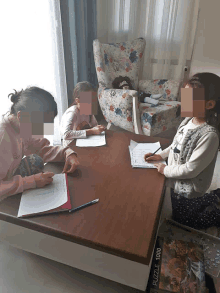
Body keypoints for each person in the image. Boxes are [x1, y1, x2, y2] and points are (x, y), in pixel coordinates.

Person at [144, 72, 220, 230]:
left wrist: (165, 169)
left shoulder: (209, 135)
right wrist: (161, 155)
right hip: (176, 182)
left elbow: (191, 170)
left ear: (209, 105)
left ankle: (215, 211)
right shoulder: (188, 120)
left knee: (183, 220)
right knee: (174, 203)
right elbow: (175, 145)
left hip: (190, 190)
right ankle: (214, 197)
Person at [0, 86, 80, 201]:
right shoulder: (3, 138)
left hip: (9, 175)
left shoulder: (22, 125)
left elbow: (41, 148)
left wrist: (67, 152)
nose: (42, 131)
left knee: (37, 160)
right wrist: (32, 181)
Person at [60, 81, 106, 148]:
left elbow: (94, 125)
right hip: (70, 145)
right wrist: (91, 131)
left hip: (83, 141)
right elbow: (66, 134)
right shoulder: (72, 113)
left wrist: (99, 128)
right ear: (78, 101)